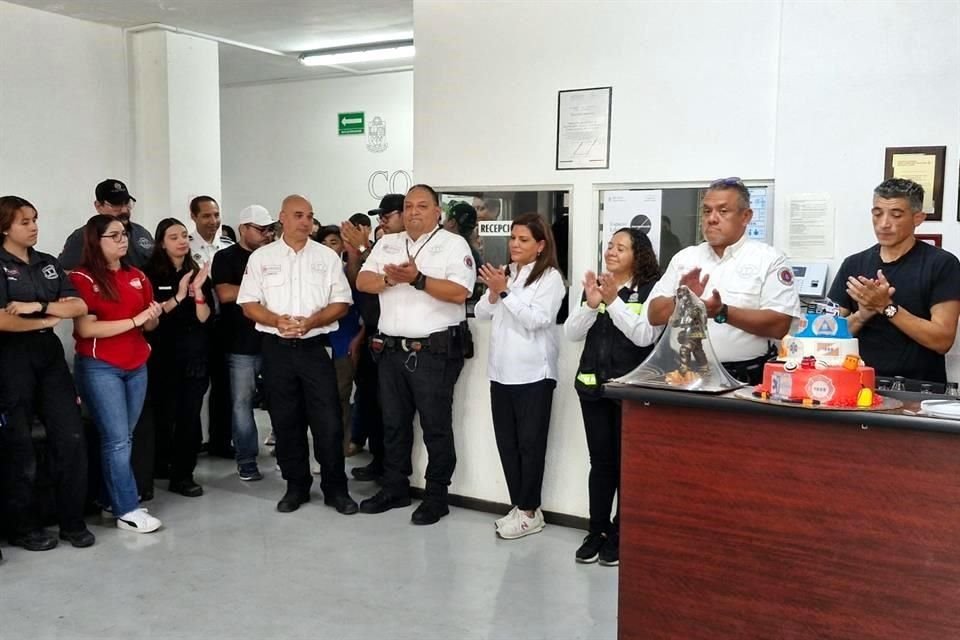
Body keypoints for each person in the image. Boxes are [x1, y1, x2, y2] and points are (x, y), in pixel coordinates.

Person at [356, 184, 476, 525]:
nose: (413, 212)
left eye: (422, 206)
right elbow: (364, 281)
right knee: (393, 424)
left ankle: (437, 496)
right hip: (392, 350)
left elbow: (459, 292)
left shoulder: (453, 245)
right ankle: (395, 487)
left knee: (436, 426)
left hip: (433, 352)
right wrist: (392, 280)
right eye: (408, 206)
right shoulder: (388, 242)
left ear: (438, 211)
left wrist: (418, 279)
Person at [237, 195, 358, 515]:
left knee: (329, 422)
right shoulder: (262, 258)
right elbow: (249, 303)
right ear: (283, 218)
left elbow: (341, 303)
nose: (305, 221)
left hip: (314, 348)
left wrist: (312, 322)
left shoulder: (327, 257)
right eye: (298, 215)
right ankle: (296, 486)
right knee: (285, 421)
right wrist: (277, 321)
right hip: (276, 350)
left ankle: (335, 488)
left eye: (310, 216)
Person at [563, 228, 662, 566]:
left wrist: (613, 301)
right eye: (610, 245)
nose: (612, 252)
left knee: (628, 466)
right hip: (592, 389)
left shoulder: (650, 291)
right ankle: (597, 530)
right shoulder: (598, 286)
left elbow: (643, 337)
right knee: (601, 463)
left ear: (639, 254)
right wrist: (591, 305)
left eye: (622, 247)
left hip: (631, 393)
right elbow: (571, 334)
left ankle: (622, 533)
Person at [0, 196, 92, 551]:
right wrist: (47, 319)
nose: (34, 226)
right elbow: (3, 320)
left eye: (35, 219)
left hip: (48, 357)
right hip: (11, 359)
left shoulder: (48, 264)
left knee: (70, 436)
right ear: (6, 226)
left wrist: (37, 308)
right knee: (18, 444)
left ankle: (71, 521)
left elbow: (78, 305)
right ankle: (25, 527)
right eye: (25, 221)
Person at [647, 177, 801, 384]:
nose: (712, 218)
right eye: (707, 211)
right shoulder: (685, 258)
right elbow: (654, 315)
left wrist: (722, 312)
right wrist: (680, 301)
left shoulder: (769, 260)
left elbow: (779, 325)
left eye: (723, 211)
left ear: (746, 216)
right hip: (683, 375)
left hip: (743, 378)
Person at [474, 213, 565, 539]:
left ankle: (529, 510)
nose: (514, 244)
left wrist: (507, 293)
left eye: (523, 239)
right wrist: (495, 292)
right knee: (507, 445)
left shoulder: (550, 278)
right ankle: (521, 506)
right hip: (501, 374)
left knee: (530, 445)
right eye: (513, 237)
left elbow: (537, 320)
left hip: (534, 377)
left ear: (541, 245)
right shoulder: (506, 273)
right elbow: (481, 313)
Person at [71, 214, 164, 534]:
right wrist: (137, 321)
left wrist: (151, 316)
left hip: (136, 364)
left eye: (124, 234)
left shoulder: (137, 275)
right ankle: (127, 508)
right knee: (117, 440)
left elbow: (149, 322)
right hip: (101, 366)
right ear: (97, 241)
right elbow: (87, 327)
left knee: (123, 437)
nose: (123, 240)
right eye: (114, 235)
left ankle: (111, 498)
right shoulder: (82, 278)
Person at [828, 178, 960, 383]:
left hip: (918, 389)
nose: (884, 224)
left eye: (896, 215)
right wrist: (861, 317)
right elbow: (825, 336)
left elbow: (942, 340)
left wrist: (887, 307)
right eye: (877, 214)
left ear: (918, 218)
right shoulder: (853, 264)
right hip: (857, 384)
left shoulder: (942, 264)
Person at [143, 218, 213, 498]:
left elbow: (205, 317)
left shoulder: (196, 272)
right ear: (162, 242)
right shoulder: (148, 274)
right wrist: (179, 294)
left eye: (184, 235)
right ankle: (161, 464)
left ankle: (183, 475)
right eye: (174, 237)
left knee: (189, 417)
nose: (182, 241)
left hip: (193, 354)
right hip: (160, 356)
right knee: (162, 415)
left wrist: (197, 295)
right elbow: (150, 322)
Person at [211, 204, 275, 481]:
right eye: (261, 230)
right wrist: (262, 292)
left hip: (273, 339)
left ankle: (286, 455)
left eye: (270, 229)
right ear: (243, 229)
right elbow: (224, 293)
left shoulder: (274, 257)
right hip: (239, 343)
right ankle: (246, 459)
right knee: (241, 403)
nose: (267, 235)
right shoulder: (225, 257)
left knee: (281, 399)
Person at [188, 195, 235, 459]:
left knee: (223, 385)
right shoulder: (188, 246)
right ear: (194, 217)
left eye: (216, 215)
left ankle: (221, 440)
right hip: (198, 324)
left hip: (225, 323)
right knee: (196, 386)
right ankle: (193, 441)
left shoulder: (227, 246)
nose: (213, 221)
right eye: (206, 216)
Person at [316, 225, 363, 454]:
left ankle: (341, 446)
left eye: (333, 242)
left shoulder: (350, 273)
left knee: (341, 397)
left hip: (344, 343)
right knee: (320, 399)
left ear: (343, 245)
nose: (327, 248)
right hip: (316, 343)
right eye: (323, 243)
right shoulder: (311, 274)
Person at [59, 179, 154, 270]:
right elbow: (66, 273)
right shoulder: (83, 236)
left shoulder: (141, 233)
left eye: (127, 203)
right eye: (116, 205)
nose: (124, 210)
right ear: (98, 206)